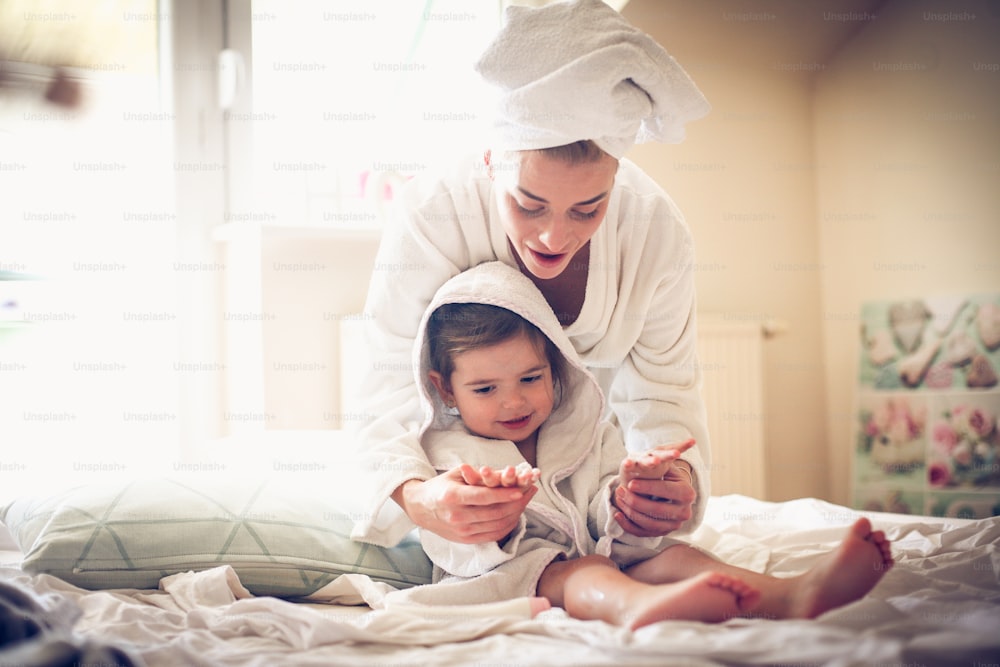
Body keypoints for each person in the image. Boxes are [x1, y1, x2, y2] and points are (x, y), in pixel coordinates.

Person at [351, 0, 715, 551]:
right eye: (529, 204)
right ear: (493, 159)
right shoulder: (433, 213)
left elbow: (665, 394)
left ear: (616, 177)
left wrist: (672, 484)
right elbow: (386, 385)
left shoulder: (655, 233)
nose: (553, 237)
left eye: (588, 209)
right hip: (466, 489)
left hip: (594, 481)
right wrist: (420, 497)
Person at [385, 261, 893, 629]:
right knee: (589, 571)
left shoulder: (582, 427)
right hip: (519, 575)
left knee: (676, 557)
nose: (513, 402)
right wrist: (492, 517)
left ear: (556, 365)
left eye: (530, 377)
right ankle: (631, 606)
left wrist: (626, 494)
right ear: (445, 387)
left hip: (604, 551)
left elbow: (608, 513)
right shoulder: (448, 455)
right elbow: (450, 539)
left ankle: (790, 594)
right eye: (485, 389)